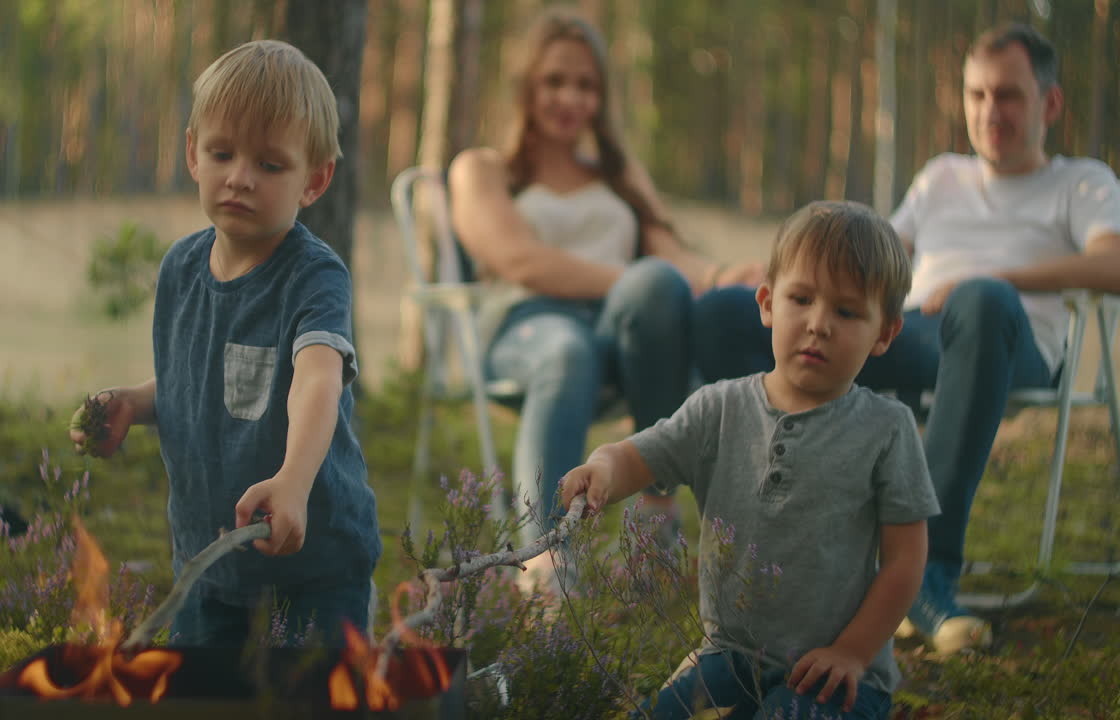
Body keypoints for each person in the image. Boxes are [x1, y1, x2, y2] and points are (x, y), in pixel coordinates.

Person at [692, 23, 1120, 655]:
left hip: (1009, 345)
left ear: (1049, 104)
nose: (988, 112)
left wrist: (991, 275)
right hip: (910, 333)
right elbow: (867, 257)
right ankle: (763, 550)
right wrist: (778, 276)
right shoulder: (942, 177)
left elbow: (1111, 264)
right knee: (728, 312)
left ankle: (927, 575)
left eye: (1007, 96)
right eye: (976, 96)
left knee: (982, 301)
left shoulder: (1082, 184)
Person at [561, 201, 938, 719]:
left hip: (834, 674)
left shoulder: (887, 429)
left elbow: (905, 560)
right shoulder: (719, 408)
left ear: (885, 333)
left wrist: (852, 653)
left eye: (847, 312)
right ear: (766, 302)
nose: (818, 324)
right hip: (730, 656)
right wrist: (603, 467)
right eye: (801, 299)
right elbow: (641, 455)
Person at [67, 40, 380, 647]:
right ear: (192, 153)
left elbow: (316, 380)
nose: (239, 177)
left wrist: (293, 480)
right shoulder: (180, 269)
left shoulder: (313, 276)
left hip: (312, 570)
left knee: (310, 703)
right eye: (222, 153)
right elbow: (199, 381)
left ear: (314, 180)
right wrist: (132, 401)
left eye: (269, 165)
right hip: (208, 565)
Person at [447, 5, 762, 589]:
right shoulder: (484, 170)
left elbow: (671, 256)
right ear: (525, 87)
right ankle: (546, 562)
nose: (571, 97)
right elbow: (519, 259)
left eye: (586, 85)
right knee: (572, 345)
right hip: (526, 325)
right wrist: (628, 277)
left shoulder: (618, 174)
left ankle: (655, 512)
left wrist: (721, 273)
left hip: (617, 333)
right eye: (555, 81)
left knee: (659, 284)